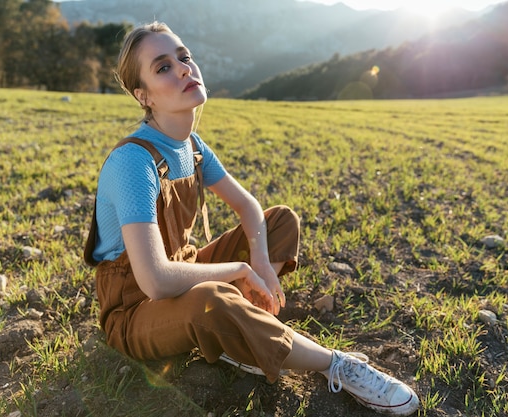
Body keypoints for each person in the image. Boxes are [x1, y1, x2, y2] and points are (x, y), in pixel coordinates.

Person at [83, 21, 420, 416]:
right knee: (211, 298)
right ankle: (337, 364)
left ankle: (239, 336)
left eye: (183, 57)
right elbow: (155, 281)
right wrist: (239, 269)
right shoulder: (133, 162)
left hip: (183, 271)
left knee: (280, 221)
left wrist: (259, 258)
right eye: (163, 68)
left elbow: (249, 208)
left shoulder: (190, 146)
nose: (183, 69)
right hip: (136, 311)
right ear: (144, 96)